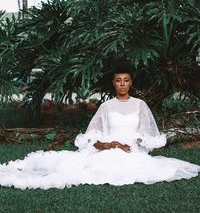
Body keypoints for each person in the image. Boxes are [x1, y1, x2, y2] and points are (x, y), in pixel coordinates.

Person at [0, 65, 199, 189]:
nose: (122, 84)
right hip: (109, 148)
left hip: (132, 150)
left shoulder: (140, 105)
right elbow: (93, 137)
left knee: (150, 169)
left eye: (126, 81)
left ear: (131, 83)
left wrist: (137, 141)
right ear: (114, 84)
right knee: (95, 169)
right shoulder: (106, 106)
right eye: (118, 81)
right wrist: (109, 144)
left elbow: (148, 135)